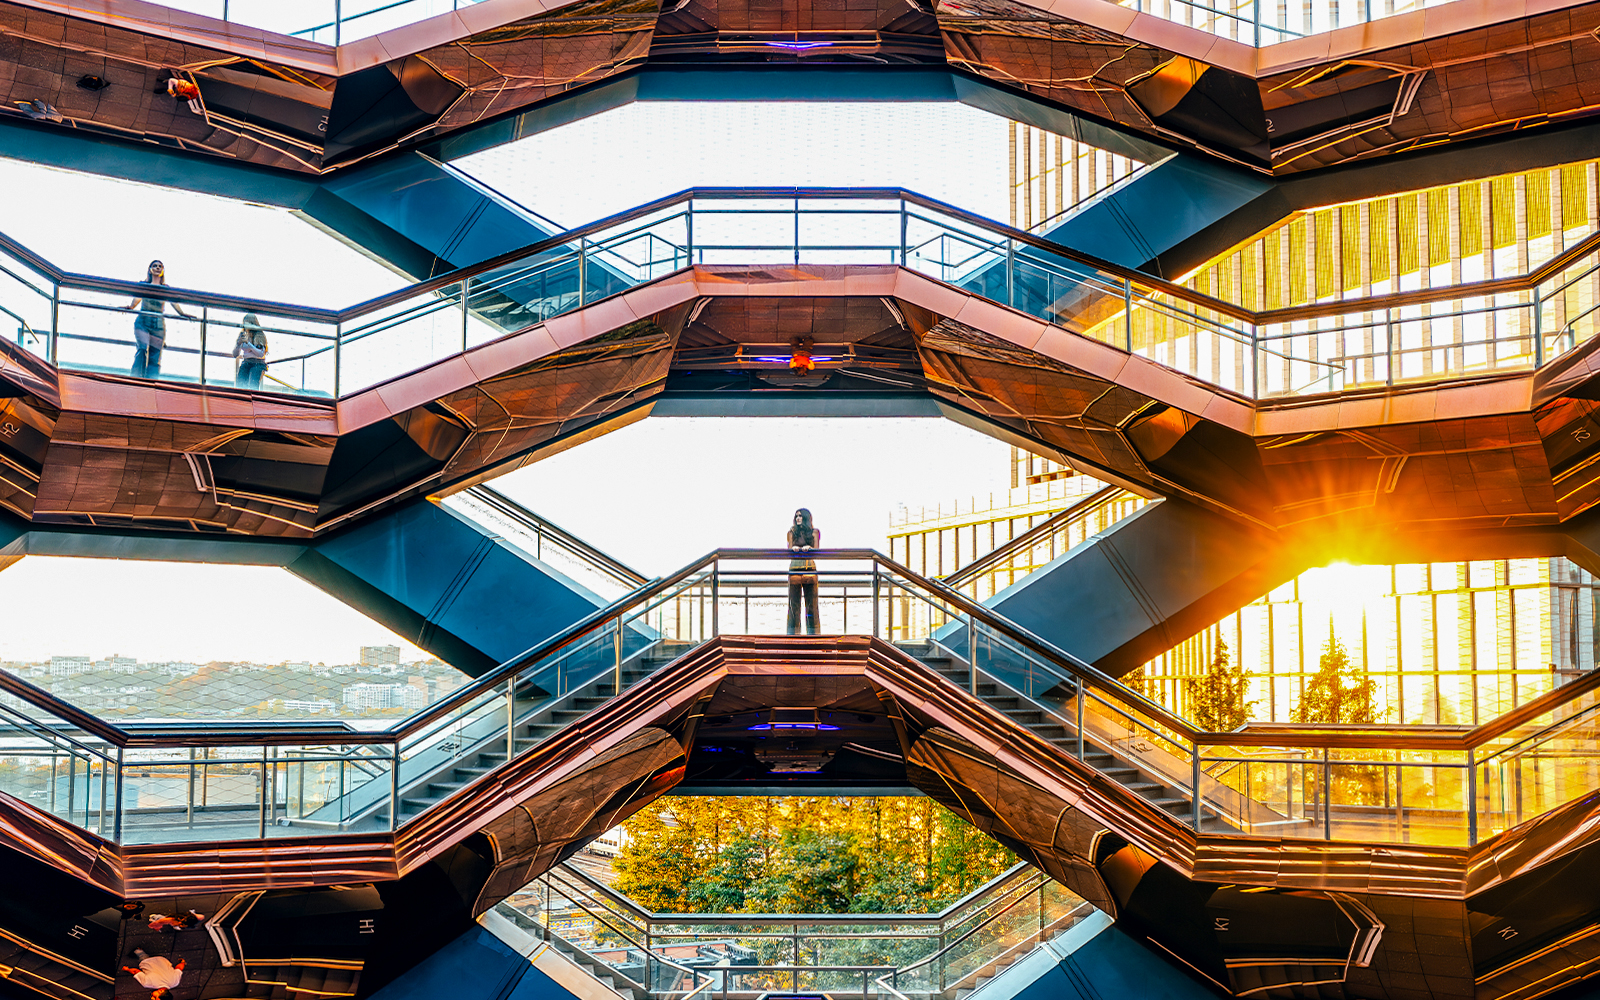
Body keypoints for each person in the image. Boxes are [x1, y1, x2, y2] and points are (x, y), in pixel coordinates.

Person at [125, 260, 189, 379]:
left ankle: (151, 382)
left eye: (160, 266)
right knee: (142, 349)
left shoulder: (165, 288)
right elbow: (138, 298)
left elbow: (173, 302)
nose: (158, 268)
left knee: (155, 356)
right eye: (155, 266)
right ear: (150, 269)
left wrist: (182, 314)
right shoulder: (144, 285)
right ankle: (135, 378)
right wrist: (131, 306)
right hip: (143, 321)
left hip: (158, 325)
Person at [786, 508, 821, 635]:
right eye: (796, 516)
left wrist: (810, 548)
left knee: (811, 605)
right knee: (793, 606)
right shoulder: (791, 532)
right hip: (794, 569)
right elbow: (789, 549)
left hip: (809, 569)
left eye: (800, 516)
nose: (798, 518)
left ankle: (814, 636)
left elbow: (817, 550)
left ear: (806, 517)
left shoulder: (814, 532)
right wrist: (793, 549)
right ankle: (792, 636)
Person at [232, 313, 268, 388]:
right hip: (246, 362)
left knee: (253, 384)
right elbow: (235, 354)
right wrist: (238, 344)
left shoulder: (259, 335)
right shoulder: (243, 334)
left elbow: (260, 354)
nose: (245, 325)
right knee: (240, 384)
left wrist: (248, 344)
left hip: (258, 363)